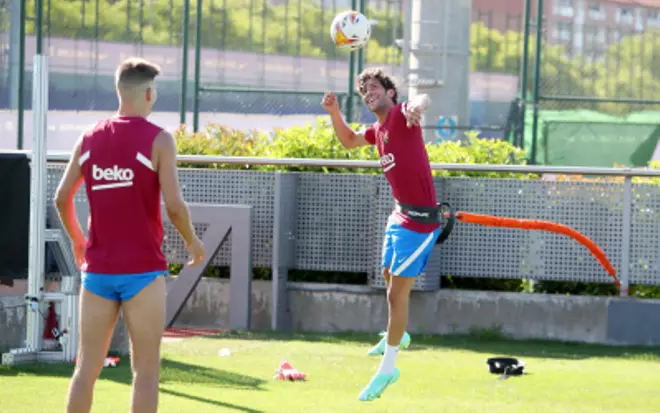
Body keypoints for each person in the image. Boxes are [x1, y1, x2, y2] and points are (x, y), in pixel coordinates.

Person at [54, 57, 206, 413]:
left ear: (118, 90)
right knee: (146, 372)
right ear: (150, 94)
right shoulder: (160, 140)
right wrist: (193, 240)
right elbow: (174, 206)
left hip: (98, 274)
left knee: (86, 369)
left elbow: (61, 198)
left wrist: (78, 239)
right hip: (142, 272)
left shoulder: (89, 137)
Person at [322, 68, 441, 402]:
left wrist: (418, 104)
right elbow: (347, 141)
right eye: (363, 90)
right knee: (388, 276)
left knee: (395, 296)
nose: (367, 92)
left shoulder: (402, 117)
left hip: (419, 224)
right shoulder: (377, 130)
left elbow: (420, 101)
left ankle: (389, 368)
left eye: (374, 87)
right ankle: (398, 336)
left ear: (391, 93)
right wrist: (334, 112)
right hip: (399, 214)